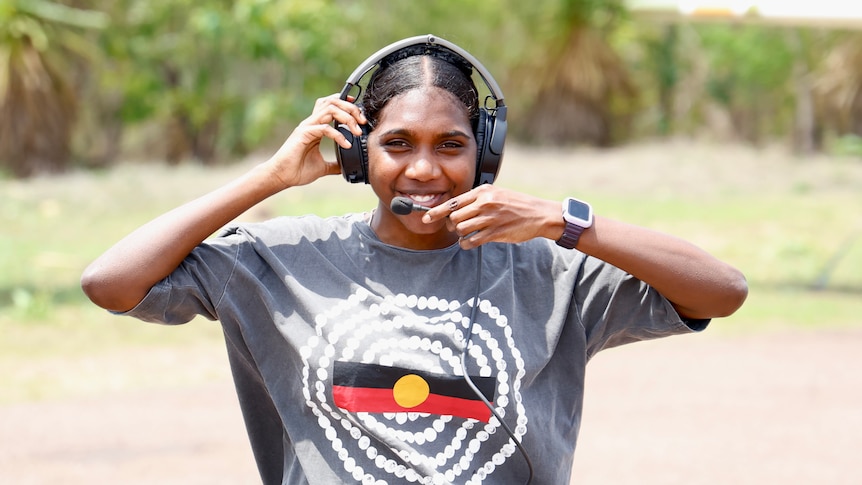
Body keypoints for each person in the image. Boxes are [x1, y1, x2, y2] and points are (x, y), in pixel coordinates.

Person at [81, 35, 747, 485]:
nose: (424, 168)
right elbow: (110, 282)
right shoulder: (278, 262)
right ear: (356, 152)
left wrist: (562, 221)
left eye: (450, 144)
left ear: (485, 153)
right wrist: (272, 177)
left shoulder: (549, 270)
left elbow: (723, 290)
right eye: (396, 143)